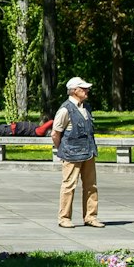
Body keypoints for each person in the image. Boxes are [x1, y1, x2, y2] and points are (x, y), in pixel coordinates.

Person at [52, 77, 100, 229]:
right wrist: (63, 150)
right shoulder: (65, 109)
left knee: (91, 186)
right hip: (71, 154)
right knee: (69, 186)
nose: (87, 91)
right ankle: (64, 218)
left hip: (89, 152)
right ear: (74, 91)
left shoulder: (87, 107)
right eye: (83, 88)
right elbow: (55, 133)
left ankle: (91, 217)